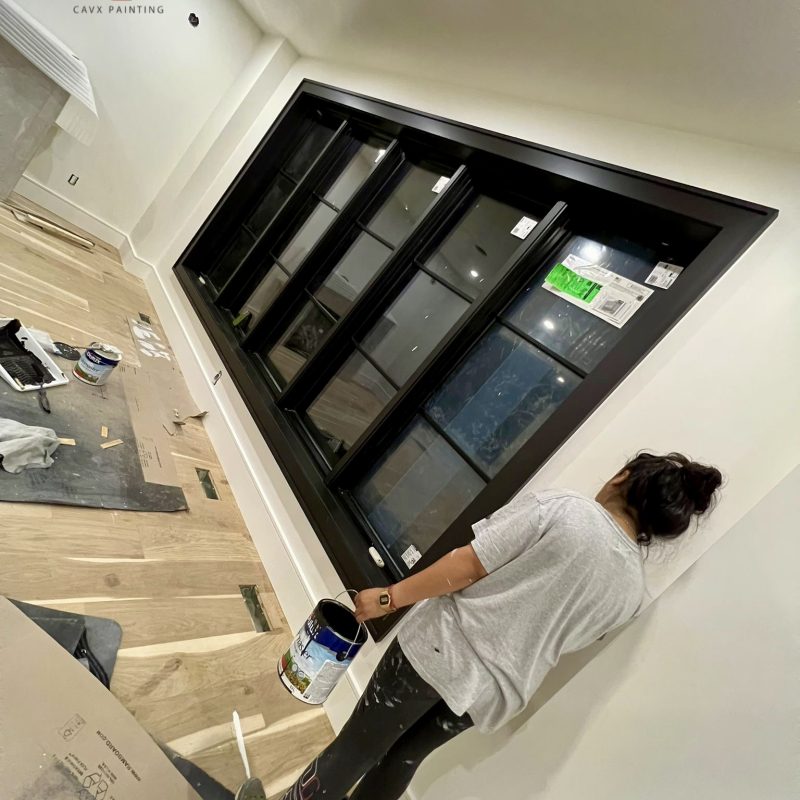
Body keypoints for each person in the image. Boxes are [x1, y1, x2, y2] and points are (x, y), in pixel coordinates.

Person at [241, 451, 721, 800]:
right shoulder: (631, 592)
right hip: (492, 695)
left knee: (358, 749)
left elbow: (468, 566)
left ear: (622, 477)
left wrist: (389, 598)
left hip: (437, 654)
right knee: (400, 760)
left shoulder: (567, 510)